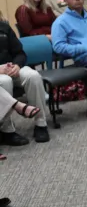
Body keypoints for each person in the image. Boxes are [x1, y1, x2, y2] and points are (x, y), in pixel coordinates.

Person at [0, 12, 50, 144]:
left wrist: (17, 65)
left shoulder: (4, 27)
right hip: (1, 73)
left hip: (11, 67)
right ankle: (7, 131)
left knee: (33, 76)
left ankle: (41, 124)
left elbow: (19, 53)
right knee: (5, 81)